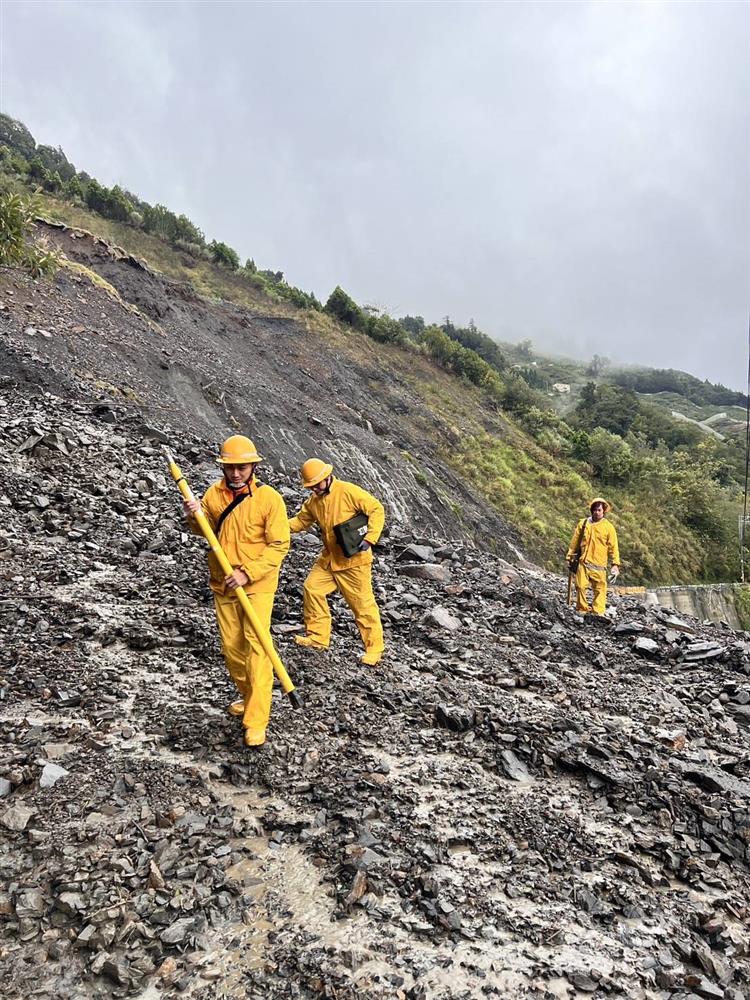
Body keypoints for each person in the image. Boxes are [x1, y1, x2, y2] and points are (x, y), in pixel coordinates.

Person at [183, 435, 289, 747]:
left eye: (241, 467)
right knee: (232, 650)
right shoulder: (213, 495)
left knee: (257, 647)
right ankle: (249, 695)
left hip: (257, 585)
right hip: (223, 582)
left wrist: (248, 572)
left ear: (253, 466)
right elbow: (204, 529)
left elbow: (280, 545)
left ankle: (257, 719)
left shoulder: (269, 499)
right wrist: (193, 516)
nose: (235, 473)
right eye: (230, 468)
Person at [289, 458, 385, 665]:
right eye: (311, 486)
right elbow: (300, 521)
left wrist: (370, 538)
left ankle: (374, 650)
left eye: (316, 484)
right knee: (312, 589)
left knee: (362, 605)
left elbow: (376, 509)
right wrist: (276, 526)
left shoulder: (348, 491)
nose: (314, 488)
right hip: (329, 559)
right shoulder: (314, 502)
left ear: (327, 477)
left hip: (354, 562)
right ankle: (317, 638)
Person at [566, 497, 620, 616]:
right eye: (595, 509)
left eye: (599, 510)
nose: (597, 512)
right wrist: (569, 556)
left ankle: (598, 612)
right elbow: (574, 542)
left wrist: (615, 565)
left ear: (604, 511)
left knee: (600, 590)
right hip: (583, 563)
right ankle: (582, 609)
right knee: (580, 586)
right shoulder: (583, 524)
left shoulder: (608, 527)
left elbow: (613, 547)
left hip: (599, 566)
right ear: (591, 510)